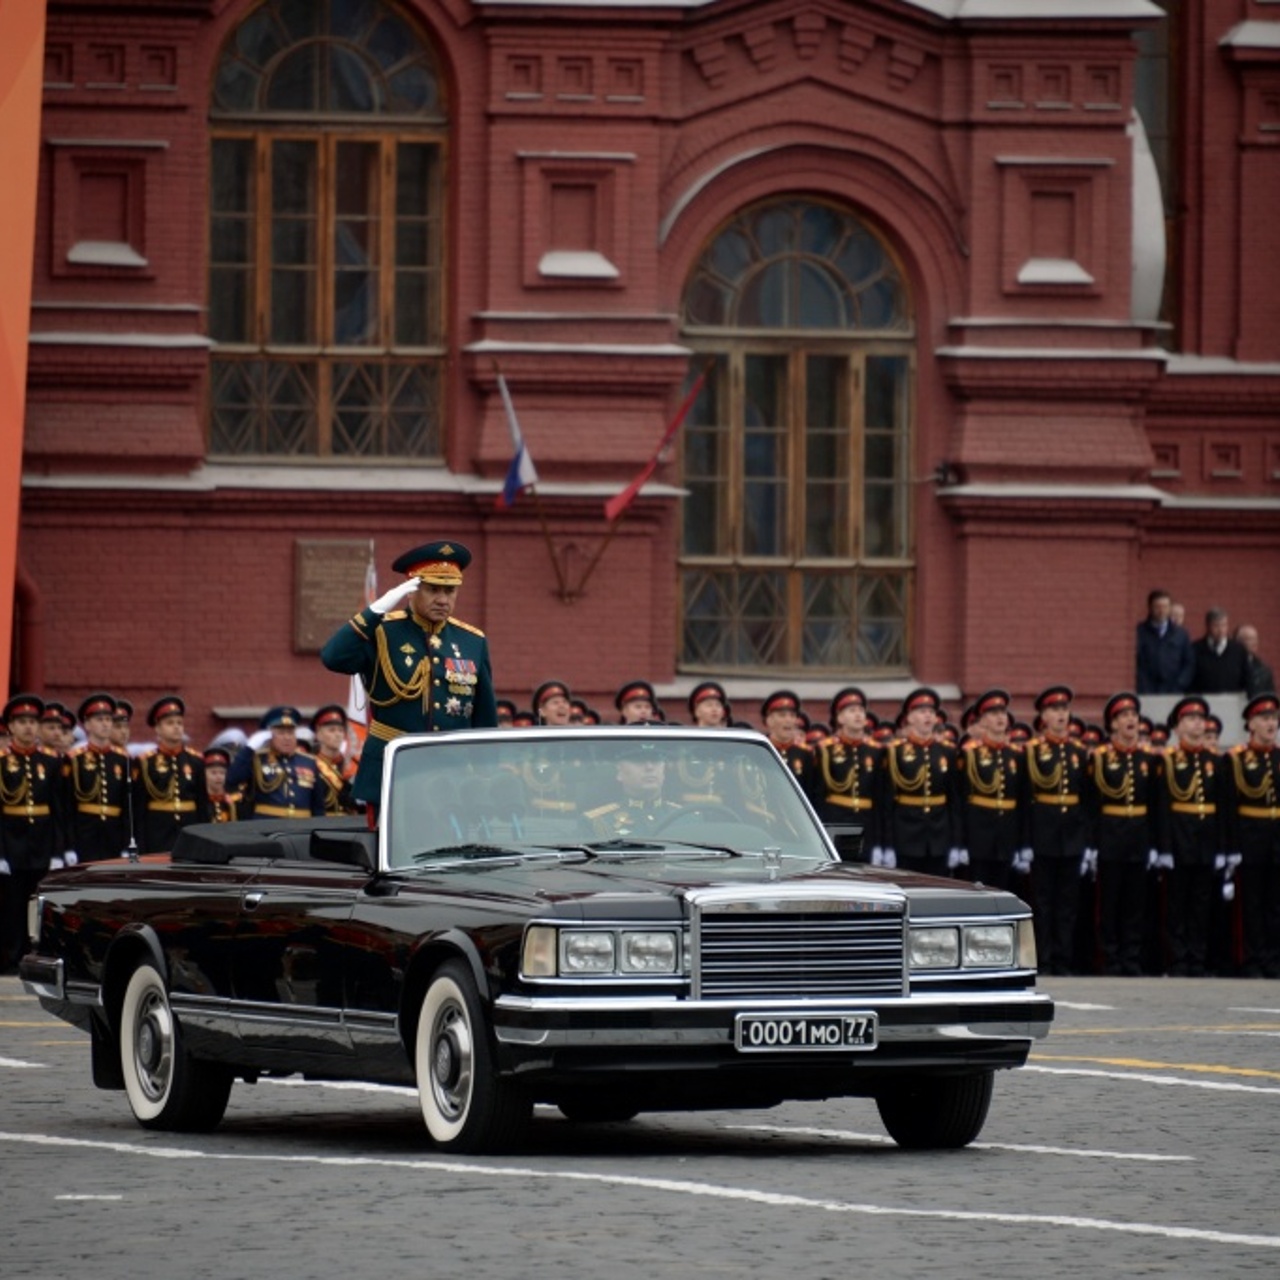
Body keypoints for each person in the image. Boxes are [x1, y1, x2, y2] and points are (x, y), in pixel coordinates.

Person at [320, 540, 498, 811]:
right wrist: (376, 611)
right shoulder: (383, 631)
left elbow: (485, 718)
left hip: (453, 777)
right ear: (411, 591)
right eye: (432, 589)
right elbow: (333, 657)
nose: (442, 599)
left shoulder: (472, 641)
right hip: (394, 767)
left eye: (450, 591)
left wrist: (484, 777)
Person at [1024, 686, 1092, 975]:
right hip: (1043, 834)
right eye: (1054, 710)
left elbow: (1087, 799)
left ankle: (1063, 959)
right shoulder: (1032, 752)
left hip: (1071, 837)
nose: (1061, 715)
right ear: (1043, 716)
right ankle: (1046, 958)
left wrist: (1087, 842)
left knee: (1067, 903)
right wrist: (1025, 842)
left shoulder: (1078, 752)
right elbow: (1026, 799)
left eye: (1064, 709)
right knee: (1043, 901)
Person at [0, 695, 70, 973]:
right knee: (12, 904)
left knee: (40, 903)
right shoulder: (3, 762)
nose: (28, 727)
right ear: (10, 727)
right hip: (11, 840)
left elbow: (59, 809)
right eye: (22, 722)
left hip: (42, 840)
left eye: (32, 722)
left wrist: (59, 850)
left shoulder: (51, 762)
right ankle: (12, 955)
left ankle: (37, 954)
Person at [1156, 696, 1224, 976]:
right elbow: (1162, 807)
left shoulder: (1215, 762)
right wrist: (1164, 847)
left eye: (1201, 719)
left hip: (1205, 839)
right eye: (1191, 719)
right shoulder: (1168, 760)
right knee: (1177, 903)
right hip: (1179, 838)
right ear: (1179, 726)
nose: (1198, 724)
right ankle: (1179, 958)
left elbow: (1223, 807)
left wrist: (1224, 847)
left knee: (1200, 903)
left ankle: (1197, 958)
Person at [1092, 692, 1160, 976]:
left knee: (1135, 903)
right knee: (1111, 902)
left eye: (1133, 715)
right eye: (1124, 716)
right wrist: (1092, 844)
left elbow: (1156, 804)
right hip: (1110, 837)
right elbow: (1093, 804)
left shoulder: (1148, 758)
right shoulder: (1101, 759)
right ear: (1113, 724)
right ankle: (1111, 956)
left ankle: (1131, 957)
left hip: (1138, 838)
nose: (1131, 720)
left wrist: (1157, 844)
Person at [879, 687, 963, 877]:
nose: (928, 716)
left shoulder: (947, 752)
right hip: (906, 834)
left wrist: (957, 842)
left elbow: (954, 800)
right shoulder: (895, 752)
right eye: (921, 712)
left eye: (931, 712)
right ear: (910, 718)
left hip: (939, 835)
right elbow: (887, 802)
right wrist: (888, 844)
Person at [1226, 692, 1280, 977]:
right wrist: (1232, 847)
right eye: (1264, 718)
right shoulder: (1237, 759)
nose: (1271, 724)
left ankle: (1273, 958)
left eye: (1273, 718)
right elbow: (1230, 807)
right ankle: (1253, 959)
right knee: (1252, 904)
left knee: (1275, 903)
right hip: (1250, 836)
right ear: (1251, 724)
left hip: (1275, 839)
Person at [958, 689, 1023, 890]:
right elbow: (961, 800)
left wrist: (1022, 842)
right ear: (983, 720)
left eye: (1003, 713)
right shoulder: (971, 754)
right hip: (980, 835)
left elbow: (1022, 799)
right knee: (979, 891)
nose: (1000, 718)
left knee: (1003, 890)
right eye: (994, 714)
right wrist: (961, 841)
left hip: (1007, 834)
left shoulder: (1016, 755)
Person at [132, 696, 210, 852]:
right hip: (157, 833)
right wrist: (139, 844)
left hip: (189, 831)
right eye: (170, 723)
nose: (176, 727)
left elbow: (202, 804)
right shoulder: (145, 762)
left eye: (179, 723)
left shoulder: (195, 761)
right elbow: (138, 808)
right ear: (158, 728)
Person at [813, 687, 881, 862]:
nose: (858, 715)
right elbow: (818, 794)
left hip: (867, 824)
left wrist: (882, 841)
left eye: (861, 711)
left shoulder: (875, 751)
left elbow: (881, 795)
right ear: (840, 718)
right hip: (837, 821)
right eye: (851, 711)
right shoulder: (826, 750)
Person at [63, 693, 133, 862]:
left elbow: (128, 805)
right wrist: (68, 846)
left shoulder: (124, 760)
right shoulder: (74, 758)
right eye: (99, 720)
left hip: (113, 835)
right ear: (87, 724)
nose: (105, 724)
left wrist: (127, 843)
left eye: (109, 720)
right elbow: (66, 806)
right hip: (84, 833)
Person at [226, 706, 328, 820]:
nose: (287, 738)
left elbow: (318, 805)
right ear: (269, 736)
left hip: (301, 828)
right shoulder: (257, 759)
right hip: (268, 826)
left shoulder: (309, 761)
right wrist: (249, 748)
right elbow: (232, 779)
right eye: (281, 733)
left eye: (290, 732)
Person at [582, 741, 681, 838]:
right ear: (619, 772)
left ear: (664, 770)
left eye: (656, 760)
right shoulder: (598, 822)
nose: (649, 767)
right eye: (639, 760)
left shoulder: (684, 816)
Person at [760, 690, 818, 802]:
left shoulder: (805, 754)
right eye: (782, 715)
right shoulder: (761, 750)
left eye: (792, 716)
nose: (788, 720)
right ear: (769, 720)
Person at [1136, 589, 1194, 694]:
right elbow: (1137, 663)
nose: (1161, 611)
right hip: (1147, 692)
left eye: (1165, 607)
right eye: (1157, 607)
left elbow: (1188, 663)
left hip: (1174, 691)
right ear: (1150, 608)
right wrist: (1144, 686)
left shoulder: (1180, 634)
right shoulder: (1140, 632)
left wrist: (1179, 685)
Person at [310, 704, 356, 816]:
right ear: (318, 734)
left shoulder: (351, 765)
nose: (337, 735)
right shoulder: (311, 765)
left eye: (340, 730)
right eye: (331, 730)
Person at [1192, 608, 1249, 694]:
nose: (1220, 630)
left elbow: (1246, 677)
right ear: (1208, 626)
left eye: (1224, 625)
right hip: (1205, 700)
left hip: (1232, 700)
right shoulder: (1195, 649)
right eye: (1216, 626)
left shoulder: (1238, 650)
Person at [1235, 624, 1276, 697]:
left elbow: (1271, 696)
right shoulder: (1229, 666)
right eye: (1249, 639)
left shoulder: (1264, 670)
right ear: (1238, 641)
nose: (1254, 643)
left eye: (1255, 639)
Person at [203, 746, 240, 823]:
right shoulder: (201, 802)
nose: (219, 777)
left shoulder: (233, 802)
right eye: (213, 773)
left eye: (222, 773)